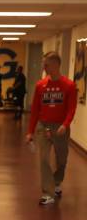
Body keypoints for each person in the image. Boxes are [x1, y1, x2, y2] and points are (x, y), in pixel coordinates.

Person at [25, 51, 77, 205]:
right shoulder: (40, 85)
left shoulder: (69, 85)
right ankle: (48, 192)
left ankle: (56, 182)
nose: (44, 67)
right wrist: (30, 132)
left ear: (56, 65)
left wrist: (65, 125)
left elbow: (71, 109)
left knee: (62, 160)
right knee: (44, 159)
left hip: (60, 127)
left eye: (46, 64)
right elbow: (35, 110)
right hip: (44, 126)